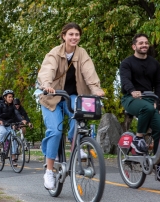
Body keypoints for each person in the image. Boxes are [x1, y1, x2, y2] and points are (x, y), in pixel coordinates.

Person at [36, 22, 105, 190]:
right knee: (55, 131)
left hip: (73, 95)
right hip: (51, 96)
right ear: (64, 36)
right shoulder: (54, 53)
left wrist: (96, 90)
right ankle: (50, 171)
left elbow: (89, 72)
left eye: (77, 34)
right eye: (71, 34)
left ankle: (76, 142)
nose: (74, 37)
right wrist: (46, 85)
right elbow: (48, 70)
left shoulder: (82, 53)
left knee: (82, 116)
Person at [119, 33, 160, 182]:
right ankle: (138, 140)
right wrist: (132, 90)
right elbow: (125, 79)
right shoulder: (127, 63)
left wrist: (157, 102)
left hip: (150, 99)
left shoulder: (154, 63)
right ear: (134, 46)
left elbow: (159, 84)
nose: (144, 45)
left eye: (146, 43)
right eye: (141, 43)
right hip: (130, 98)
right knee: (147, 108)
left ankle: (157, 163)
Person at [0, 90, 27, 165]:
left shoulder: (13, 106)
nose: (11, 98)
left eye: (12, 97)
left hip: (9, 124)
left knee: (13, 138)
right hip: (0, 124)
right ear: (5, 98)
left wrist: (22, 120)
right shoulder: (0, 105)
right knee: (3, 132)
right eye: (9, 97)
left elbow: (17, 114)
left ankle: (13, 157)